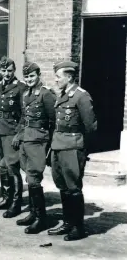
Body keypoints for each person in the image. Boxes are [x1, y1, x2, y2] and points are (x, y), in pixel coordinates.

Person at [47, 61, 97, 241]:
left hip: (73, 147)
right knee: (63, 187)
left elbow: (90, 127)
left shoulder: (81, 96)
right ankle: (68, 223)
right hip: (58, 145)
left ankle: (78, 227)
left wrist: (83, 149)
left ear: (69, 77)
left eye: (58, 76)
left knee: (74, 188)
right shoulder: (62, 95)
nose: (55, 79)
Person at [15, 62, 56, 234]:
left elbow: (54, 122)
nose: (29, 79)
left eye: (32, 76)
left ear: (38, 75)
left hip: (39, 140)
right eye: (26, 77)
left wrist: (51, 147)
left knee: (33, 178)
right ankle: (33, 213)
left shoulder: (46, 94)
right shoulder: (25, 94)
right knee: (29, 175)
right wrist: (18, 135)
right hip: (26, 139)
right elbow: (23, 118)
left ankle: (41, 218)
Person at [0, 56, 26, 218]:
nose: (7, 74)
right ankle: (5, 198)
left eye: (9, 71)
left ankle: (16, 203)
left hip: (11, 131)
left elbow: (24, 114)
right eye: (3, 71)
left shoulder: (20, 88)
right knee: (1, 165)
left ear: (14, 71)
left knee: (12, 166)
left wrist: (19, 133)